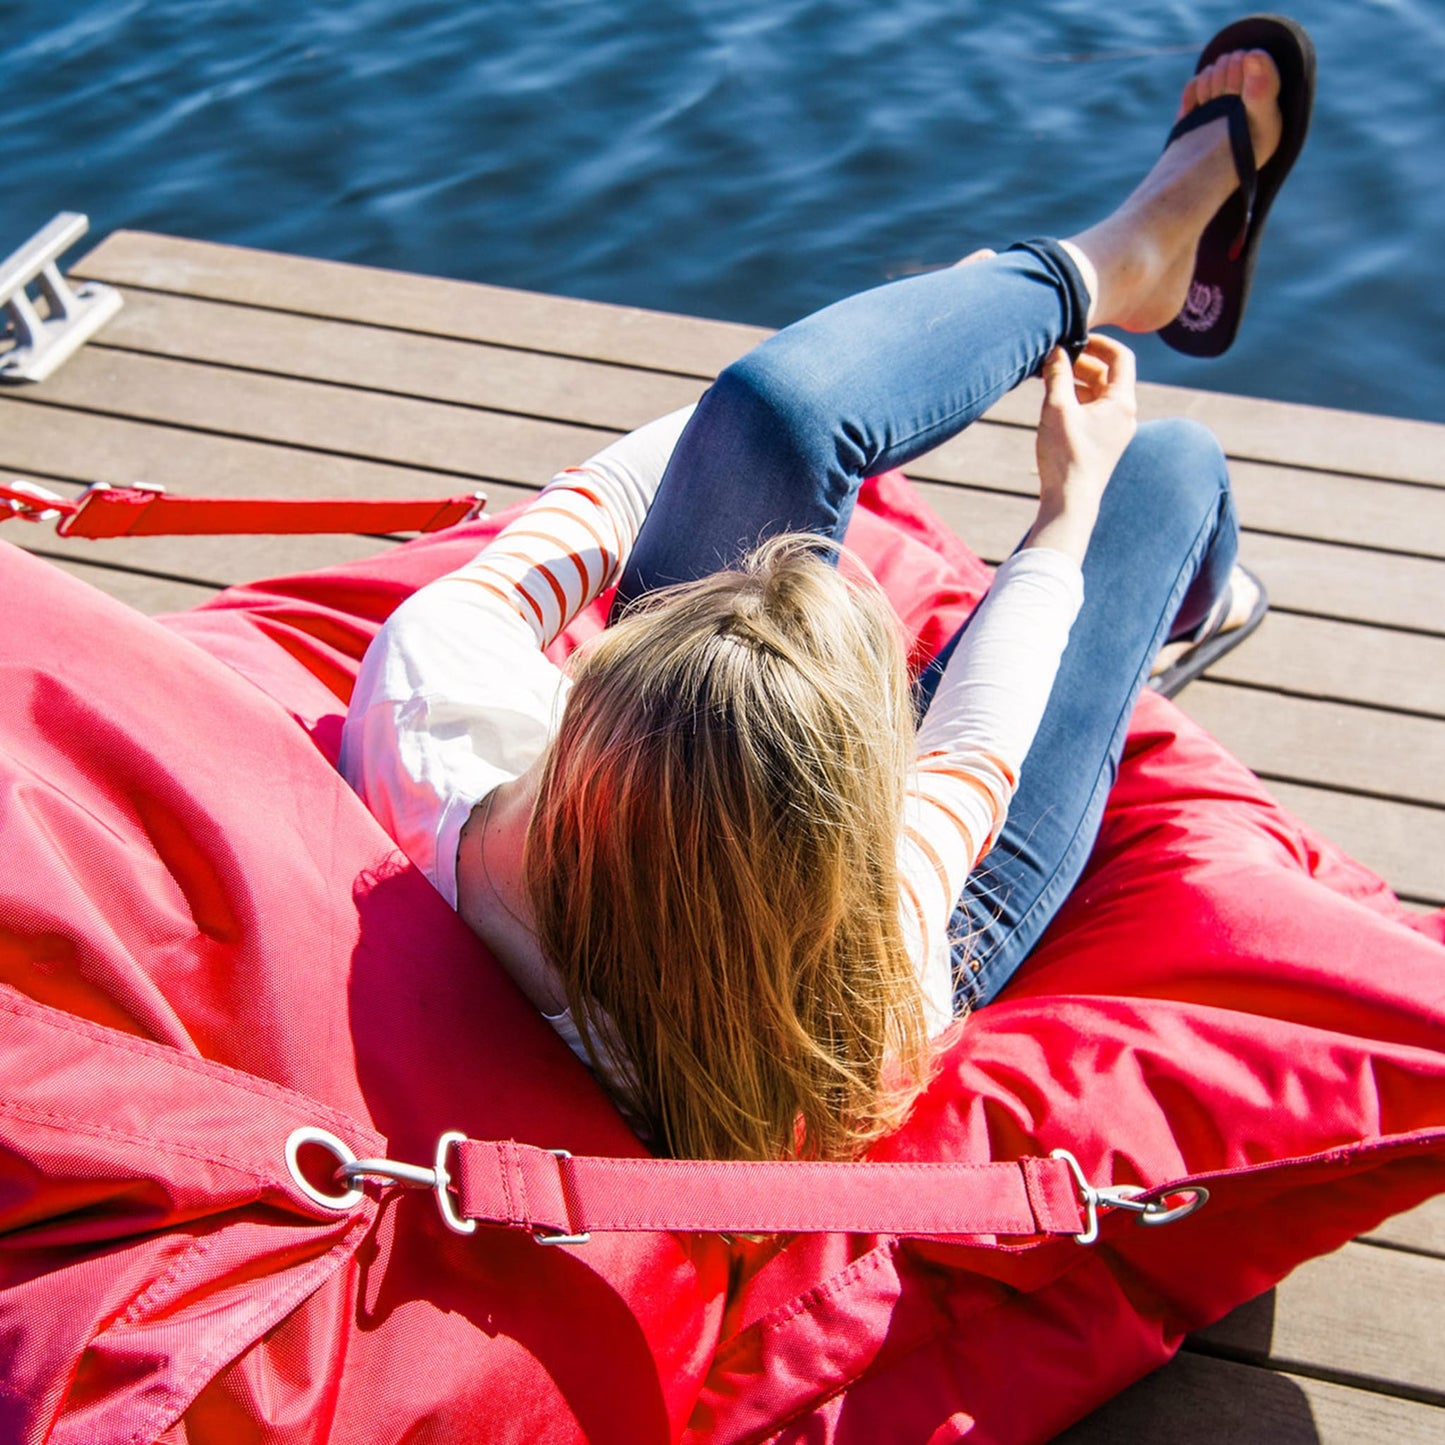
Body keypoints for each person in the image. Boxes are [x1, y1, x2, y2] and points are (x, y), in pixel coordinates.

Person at [341, 20, 1313, 1162]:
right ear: (859, 809)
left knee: (769, 416)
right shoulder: (881, 965)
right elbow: (967, 755)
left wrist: (938, 337)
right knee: (1164, 467)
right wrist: (1066, 501)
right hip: (878, 933)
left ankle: (1099, 267)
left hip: (723, 880)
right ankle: (1203, 604)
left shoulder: (426, 710)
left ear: (592, 695)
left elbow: (614, 491)